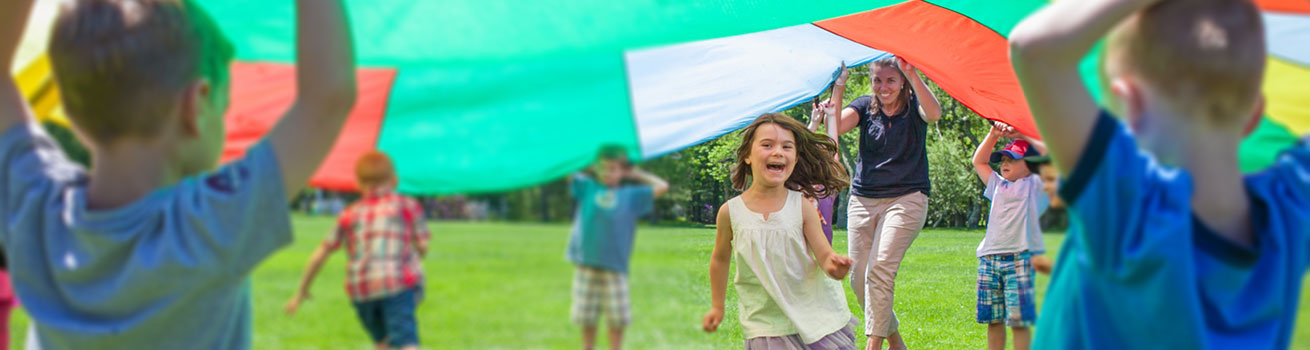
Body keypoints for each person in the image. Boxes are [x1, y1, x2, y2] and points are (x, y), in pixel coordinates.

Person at [0, 0, 357, 348]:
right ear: (197, 103)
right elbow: (327, 98)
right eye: (224, 108)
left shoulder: (34, 210)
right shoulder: (209, 227)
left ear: (73, 119)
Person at [1010, 0, 1310, 348]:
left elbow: (1035, 49)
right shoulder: (1291, 211)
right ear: (1255, 112)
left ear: (1130, 104)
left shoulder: (1128, 207)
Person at [701, 114, 858, 350]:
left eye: (787, 147)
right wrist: (717, 306)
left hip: (813, 315)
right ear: (746, 156)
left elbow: (824, 254)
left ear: (795, 159)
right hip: (765, 323)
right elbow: (720, 259)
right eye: (767, 145)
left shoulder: (802, 206)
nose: (778, 152)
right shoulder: (729, 212)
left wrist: (834, 267)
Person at [834, 56, 943, 350]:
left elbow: (934, 114)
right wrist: (839, 88)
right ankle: (896, 342)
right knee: (859, 280)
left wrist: (913, 73)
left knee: (879, 268)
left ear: (902, 82)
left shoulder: (914, 107)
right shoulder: (865, 106)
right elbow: (837, 127)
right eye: (878, 80)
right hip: (863, 199)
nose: (883, 87)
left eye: (891, 80)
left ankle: (874, 345)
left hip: (906, 198)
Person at [285, 151, 430, 350]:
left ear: (358, 184)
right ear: (394, 180)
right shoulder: (407, 206)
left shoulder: (349, 214)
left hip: (361, 292)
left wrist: (301, 291)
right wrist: (414, 255)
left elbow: (322, 252)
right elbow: (422, 246)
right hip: (397, 285)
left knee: (383, 343)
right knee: (406, 342)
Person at [566, 145, 669, 350]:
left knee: (617, 318)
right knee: (587, 317)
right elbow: (569, 172)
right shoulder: (587, 187)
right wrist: (590, 165)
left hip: (615, 265)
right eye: (603, 168)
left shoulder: (631, 195)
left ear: (622, 171)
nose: (607, 173)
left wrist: (636, 174)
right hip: (587, 262)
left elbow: (662, 186)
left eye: (613, 169)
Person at [969, 123, 1051, 350]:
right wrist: (993, 134)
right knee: (992, 319)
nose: (1005, 163)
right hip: (989, 259)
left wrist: (1024, 134)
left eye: (1013, 159)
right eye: (1003, 159)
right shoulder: (997, 184)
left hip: (1019, 260)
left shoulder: (1035, 186)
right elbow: (979, 161)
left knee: (1018, 321)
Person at [806, 64, 850, 244]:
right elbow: (799, 148)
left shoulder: (826, 190)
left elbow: (833, 149)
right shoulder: (799, 188)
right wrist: (814, 123)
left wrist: (831, 116)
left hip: (821, 255)